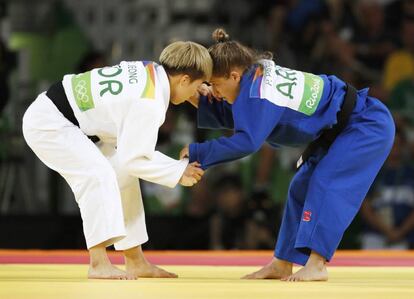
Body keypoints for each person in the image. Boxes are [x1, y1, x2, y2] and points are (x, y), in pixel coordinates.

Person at [181, 29, 395, 281]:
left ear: (234, 75)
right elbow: (246, 113)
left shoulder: (259, 90)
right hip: (339, 129)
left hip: (364, 124)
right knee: (300, 187)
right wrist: (198, 98)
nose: (214, 92)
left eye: (215, 85)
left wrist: (198, 151)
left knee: (326, 182)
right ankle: (282, 262)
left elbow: (248, 140)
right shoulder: (254, 75)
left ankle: (317, 264)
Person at [22, 41, 210, 280]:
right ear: (183, 80)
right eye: (196, 86)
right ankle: (98, 262)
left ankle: (136, 261)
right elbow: (136, 158)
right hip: (50, 123)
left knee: (122, 172)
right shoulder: (150, 103)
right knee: (98, 174)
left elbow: (129, 159)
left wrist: (193, 90)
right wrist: (178, 171)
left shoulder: (151, 71)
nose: (195, 94)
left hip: (71, 118)